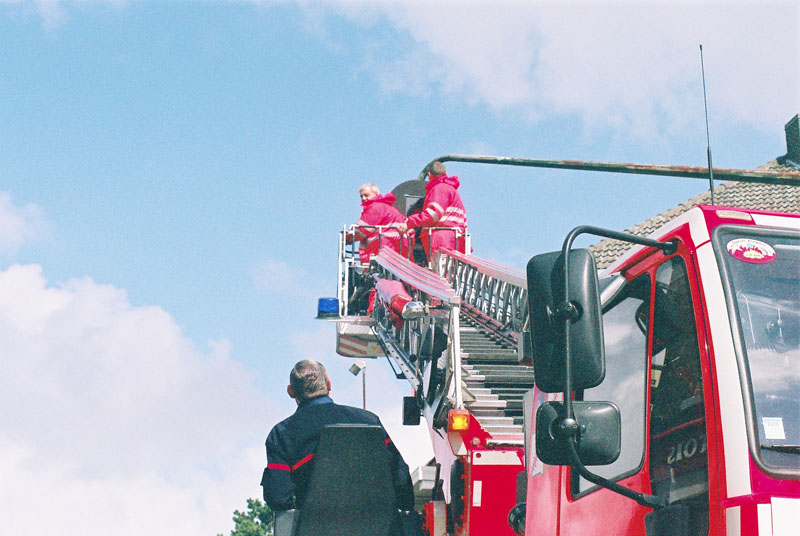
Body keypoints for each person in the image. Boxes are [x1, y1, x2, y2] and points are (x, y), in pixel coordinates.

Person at [261, 359, 415, 513]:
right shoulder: (369, 421)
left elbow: (278, 497)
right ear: (329, 384)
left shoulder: (281, 434)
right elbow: (400, 477)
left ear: (290, 391)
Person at [396, 162, 467, 257]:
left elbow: (432, 214)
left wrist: (409, 222)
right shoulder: (450, 189)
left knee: (440, 269)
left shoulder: (439, 189)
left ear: (429, 175)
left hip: (441, 239)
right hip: (454, 238)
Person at [347, 183, 408, 265]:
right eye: (361, 196)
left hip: (381, 252)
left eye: (366, 195)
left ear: (376, 194)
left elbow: (362, 230)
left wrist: (348, 237)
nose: (363, 198)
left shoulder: (375, 208)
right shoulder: (388, 208)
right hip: (396, 253)